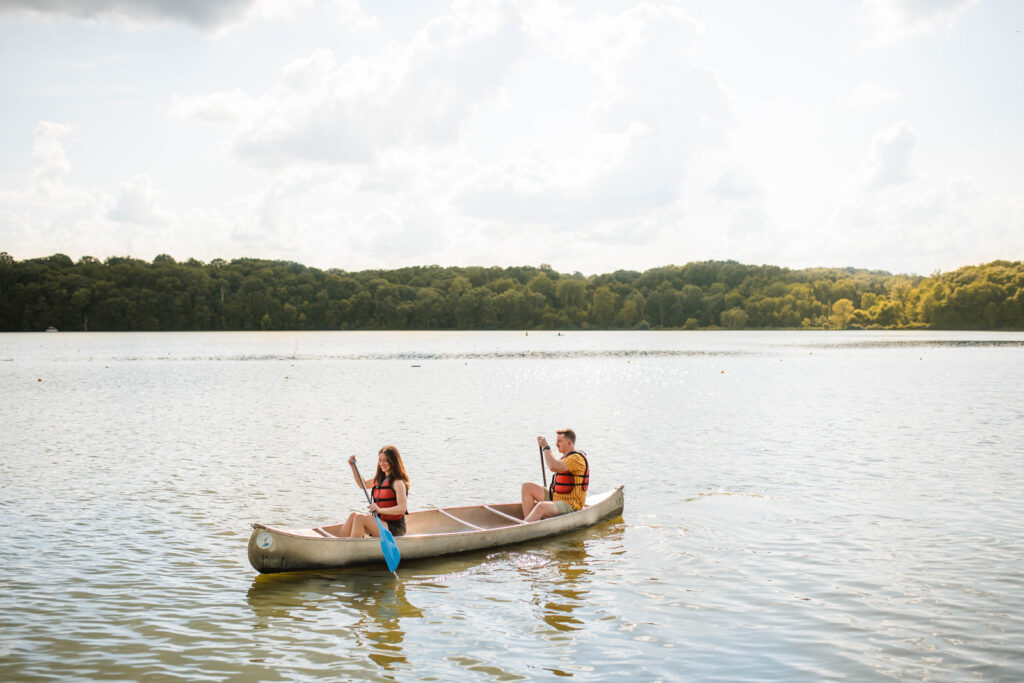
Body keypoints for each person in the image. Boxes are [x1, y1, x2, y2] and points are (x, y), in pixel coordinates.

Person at [329, 445, 410, 538]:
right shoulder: (380, 479)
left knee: (360, 519)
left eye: (386, 460)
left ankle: (353, 549)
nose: (382, 463)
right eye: (380, 460)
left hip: (395, 528)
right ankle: (341, 545)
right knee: (353, 515)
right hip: (381, 522)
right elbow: (362, 484)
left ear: (393, 461)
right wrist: (353, 466)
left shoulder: (398, 482)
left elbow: (402, 508)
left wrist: (379, 510)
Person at [521, 428, 589, 522]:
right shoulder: (565, 458)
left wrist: (545, 447)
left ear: (569, 443)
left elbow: (553, 466)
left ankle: (523, 527)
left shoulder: (576, 459)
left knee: (541, 506)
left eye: (560, 441)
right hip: (557, 497)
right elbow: (554, 464)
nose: (557, 444)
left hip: (570, 504)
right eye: (557, 441)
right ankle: (529, 523)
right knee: (527, 486)